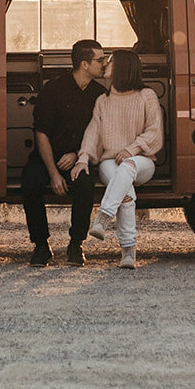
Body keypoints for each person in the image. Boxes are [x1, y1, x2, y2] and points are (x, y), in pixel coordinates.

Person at [71, 49, 163, 269]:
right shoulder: (103, 100)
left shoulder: (146, 96)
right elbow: (93, 132)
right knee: (126, 194)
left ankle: (104, 216)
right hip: (109, 162)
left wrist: (131, 150)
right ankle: (128, 251)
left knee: (128, 166)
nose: (104, 65)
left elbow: (154, 132)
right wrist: (83, 158)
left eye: (109, 62)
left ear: (122, 67)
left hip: (141, 161)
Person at [21, 39, 106, 266]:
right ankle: (41, 245)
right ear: (85, 64)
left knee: (85, 186)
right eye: (100, 60)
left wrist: (79, 155)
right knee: (30, 183)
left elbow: (101, 135)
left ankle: (76, 244)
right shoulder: (53, 89)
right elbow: (41, 133)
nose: (104, 64)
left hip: (80, 157)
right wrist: (53, 174)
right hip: (47, 156)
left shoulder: (100, 94)